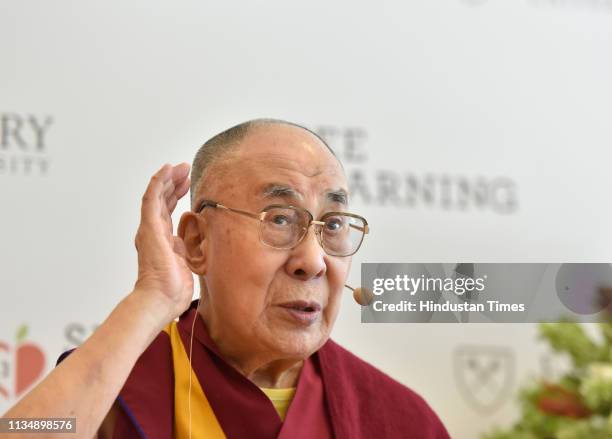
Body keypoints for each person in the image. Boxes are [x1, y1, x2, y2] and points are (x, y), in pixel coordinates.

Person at [2, 119, 450, 438]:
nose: (312, 261)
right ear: (198, 242)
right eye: (279, 219)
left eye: (332, 225)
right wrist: (153, 298)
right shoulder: (117, 386)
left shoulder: (397, 418)